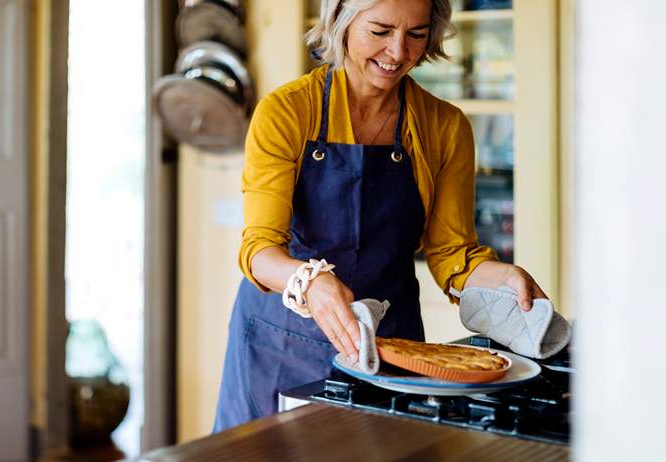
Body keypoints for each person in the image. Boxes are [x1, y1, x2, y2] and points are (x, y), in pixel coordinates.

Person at [213, 0, 547, 432]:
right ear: (342, 21)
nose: (397, 52)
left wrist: (501, 279)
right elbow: (259, 249)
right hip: (281, 342)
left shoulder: (445, 128)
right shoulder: (287, 112)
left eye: (416, 34)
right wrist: (310, 282)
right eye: (380, 30)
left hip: (392, 346)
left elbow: (452, 256)